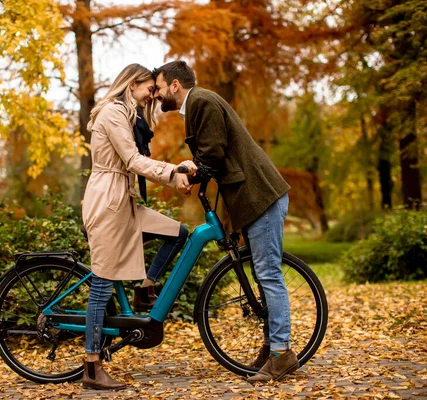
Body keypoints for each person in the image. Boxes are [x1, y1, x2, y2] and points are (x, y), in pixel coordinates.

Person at [153, 61, 296, 383]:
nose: (158, 94)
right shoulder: (199, 104)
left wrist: (193, 172)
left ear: (175, 85)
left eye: (159, 87)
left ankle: (282, 353)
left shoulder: (201, 100)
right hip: (253, 198)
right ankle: (272, 347)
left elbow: (213, 153)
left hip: (261, 196)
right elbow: (212, 155)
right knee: (263, 274)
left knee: (268, 274)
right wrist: (194, 169)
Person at [81, 63, 195, 390]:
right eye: (149, 88)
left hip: (125, 203)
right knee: (102, 285)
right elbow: (132, 161)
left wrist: (177, 170)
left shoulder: (131, 116)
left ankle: (145, 285)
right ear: (133, 84)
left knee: (178, 233)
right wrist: (174, 173)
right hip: (108, 204)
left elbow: (135, 162)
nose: (153, 95)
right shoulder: (114, 113)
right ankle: (91, 366)